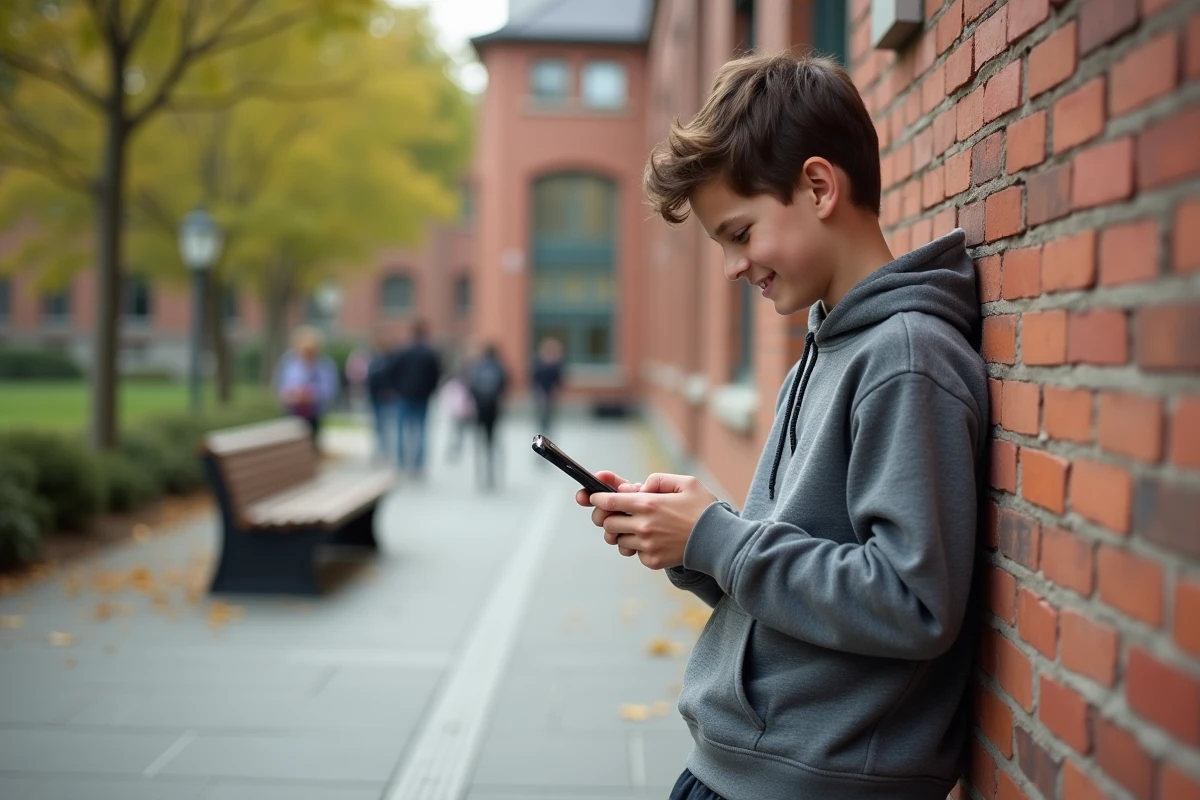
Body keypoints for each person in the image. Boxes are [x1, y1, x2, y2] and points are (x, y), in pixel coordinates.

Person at [577, 52, 987, 800]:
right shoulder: (825, 351)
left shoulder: (904, 358)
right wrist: (691, 540)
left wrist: (719, 537)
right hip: (744, 769)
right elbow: (809, 575)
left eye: (739, 233)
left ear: (819, 187)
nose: (733, 266)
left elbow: (912, 602)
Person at [273, 326, 340, 446]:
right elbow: (280, 385)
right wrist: (292, 394)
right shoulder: (289, 362)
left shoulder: (324, 365)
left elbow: (329, 390)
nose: (306, 355)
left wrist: (310, 395)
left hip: (313, 413)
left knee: (310, 444)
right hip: (292, 411)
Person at [391, 320, 441, 477]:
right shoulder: (429, 353)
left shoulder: (404, 351)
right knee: (421, 430)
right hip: (422, 397)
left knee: (402, 430)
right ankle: (419, 464)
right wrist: (431, 391)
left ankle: (401, 462)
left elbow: (393, 371)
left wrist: (397, 388)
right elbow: (436, 376)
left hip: (405, 395)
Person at [467, 343, 508, 490]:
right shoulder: (498, 367)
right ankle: (491, 474)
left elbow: (471, 386)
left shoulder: (478, 367)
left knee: (479, 442)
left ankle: (480, 474)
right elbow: (504, 385)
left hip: (480, 409)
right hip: (493, 409)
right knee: (492, 442)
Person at [363, 331, 398, 461]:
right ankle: (380, 450)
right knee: (377, 425)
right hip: (375, 396)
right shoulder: (374, 359)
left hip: (386, 397)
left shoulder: (390, 360)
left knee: (386, 424)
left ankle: (386, 450)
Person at [531, 337, 566, 436]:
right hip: (540, 392)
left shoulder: (557, 363)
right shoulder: (538, 362)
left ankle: (548, 433)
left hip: (551, 392)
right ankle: (541, 432)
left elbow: (559, 378)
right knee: (541, 414)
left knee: (550, 414)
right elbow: (534, 377)